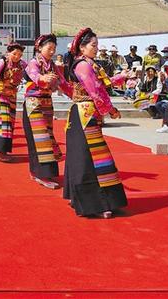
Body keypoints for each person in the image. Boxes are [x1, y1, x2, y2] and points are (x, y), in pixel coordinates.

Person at [64, 27, 127, 219]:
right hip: (84, 114)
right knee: (88, 158)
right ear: (82, 48)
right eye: (93, 45)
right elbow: (95, 91)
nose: (97, 48)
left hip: (88, 114)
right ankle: (93, 204)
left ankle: (92, 199)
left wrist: (122, 77)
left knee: (95, 157)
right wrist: (111, 109)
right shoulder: (83, 66)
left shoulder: (91, 64)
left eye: (97, 45)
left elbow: (103, 84)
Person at [22, 34, 70, 189]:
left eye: (54, 49)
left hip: (47, 104)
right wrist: (44, 78)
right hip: (34, 104)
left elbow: (63, 82)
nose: (52, 51)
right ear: (40, 48)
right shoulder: (33, 62)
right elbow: (35, 76)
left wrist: (75, 94)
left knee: (46, 137)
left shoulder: (52, 66)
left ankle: (38, 172)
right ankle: (41, 174)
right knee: (40, 139)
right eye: (49, 48)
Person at [0, 43, 27, 162]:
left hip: (11, 95)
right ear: (8, 53)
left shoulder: (21, 64)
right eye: (14, 54)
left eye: (19, 55)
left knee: (10, 123)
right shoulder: (2, 62)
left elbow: (30, 71)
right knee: (2, 122)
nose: (17, 56)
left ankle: (3, 150)